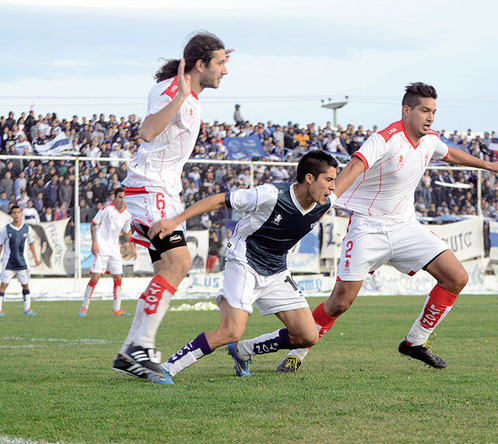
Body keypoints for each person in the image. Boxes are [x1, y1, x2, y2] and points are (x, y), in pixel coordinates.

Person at [275, 82, 498, 373]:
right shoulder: (385, 138)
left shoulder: (429, 139)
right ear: (407, 110)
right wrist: (328, 200)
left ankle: (415, 342)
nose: (430, 117)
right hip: (368, 227)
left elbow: (450, 153)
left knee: (456, 277)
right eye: (424, 111)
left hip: (405, 227)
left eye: (434, 112)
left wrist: (488, 165)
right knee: (340, 302)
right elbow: (355, 166)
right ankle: (298, 353)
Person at [145, 150, 337, 383]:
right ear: (309, 178)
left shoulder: (324, 202)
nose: (333, 187)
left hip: (277, 270)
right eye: (328, 180)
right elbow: (219, 200)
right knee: (231, 330)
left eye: (334, 181)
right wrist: (174, 221)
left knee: (308, 335)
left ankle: (242, 350)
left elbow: (351, 175)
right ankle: (167, 367)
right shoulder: (271, 194)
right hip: (244, 261)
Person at [112, 32, 232, 379]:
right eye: (220, 64)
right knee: (179, 261)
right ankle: (138, 346)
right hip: (151, 188)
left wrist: (210, 64)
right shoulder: (174, 90)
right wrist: (180, 94)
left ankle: (135, 349)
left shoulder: (190, 93)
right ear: (199, 65)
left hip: (163, 190)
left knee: (168, 269)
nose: (225, 71)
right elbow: (147, 132)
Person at [78, 188, 136, 317]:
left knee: (118, 278)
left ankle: (117, 309)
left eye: (124, 197)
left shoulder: (127, 214)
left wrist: (133, 247)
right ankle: (84, 306)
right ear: (114, 198)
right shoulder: (106, 209)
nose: (122, 200)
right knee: (96, 277)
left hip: (114, 249)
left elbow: (127, 232)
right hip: (101, 248)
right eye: (120, 197)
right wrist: (94, 242)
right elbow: (93, 225)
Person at [0, 206, 41, 316]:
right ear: (11, 215)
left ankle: (27, 309)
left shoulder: (27, 228)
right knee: (3, 286)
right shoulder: (6, 229)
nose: (16, 215)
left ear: (21, 214)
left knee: (25, 285)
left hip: (22, 263)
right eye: (14, 213)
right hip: (8, 263)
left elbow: (31, 243)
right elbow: (0, 245)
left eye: (18, 212)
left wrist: (36, 257)